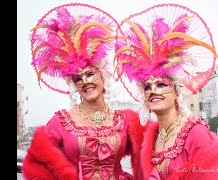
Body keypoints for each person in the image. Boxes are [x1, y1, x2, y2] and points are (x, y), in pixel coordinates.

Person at [22, 3, 144, 180]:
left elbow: (151, 157)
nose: (85, 81)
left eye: (90, 74)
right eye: (78, 79)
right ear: (75, 86)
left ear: (102, 75)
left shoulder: (125, 121)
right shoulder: (61, 122)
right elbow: (37, 166)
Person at [114, 3, 218, 180]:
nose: (153, 91)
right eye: (147, 87)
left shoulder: (196, 134)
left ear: (176, 92)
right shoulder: (151, 139)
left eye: (161, 84)